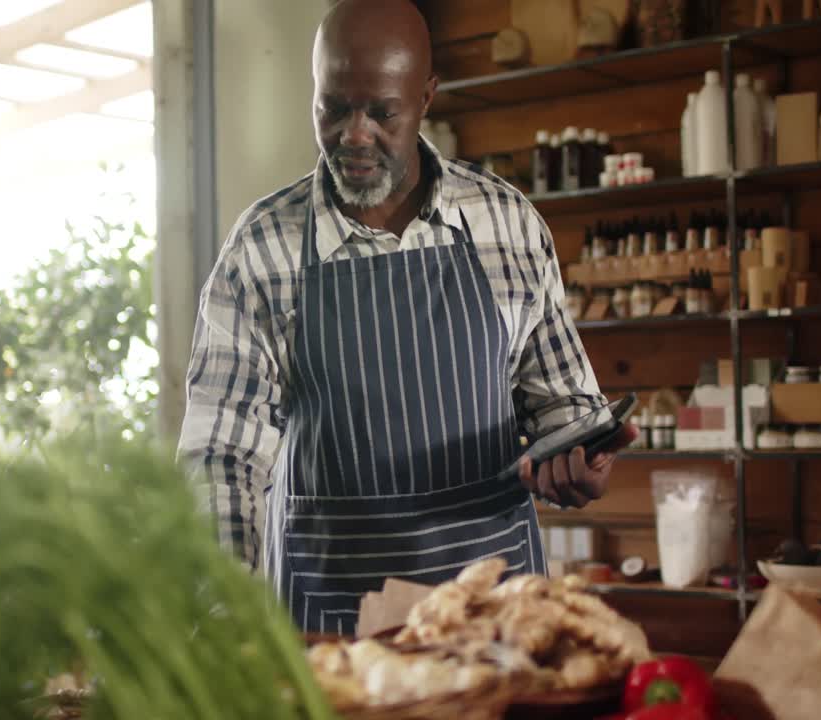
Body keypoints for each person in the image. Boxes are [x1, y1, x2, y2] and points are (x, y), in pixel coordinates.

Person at [178, 0, 636, 634]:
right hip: (329, 623)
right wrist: (225, 611)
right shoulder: (261, 247)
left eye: (382, 112)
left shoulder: (506, 222)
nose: (354, 134)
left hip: (494, 618)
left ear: (425, 97)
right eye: (332, 108)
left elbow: (566, 406)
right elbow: (221, 458)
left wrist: (580, 456)